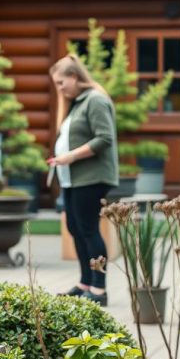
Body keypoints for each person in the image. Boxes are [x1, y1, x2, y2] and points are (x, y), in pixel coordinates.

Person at [46, 55, 118, 306]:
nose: (59, 88)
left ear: (74, 77)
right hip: (72, 179)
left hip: (91, 177)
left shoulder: (95, 100)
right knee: (75, 229)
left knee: (88, 229)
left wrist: (70, 156)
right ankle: (85, 282)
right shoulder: (77, 103)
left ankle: (99, 290)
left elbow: (104, 138)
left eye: (61, 82)